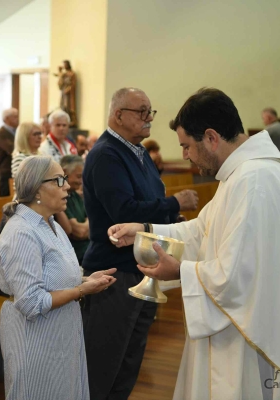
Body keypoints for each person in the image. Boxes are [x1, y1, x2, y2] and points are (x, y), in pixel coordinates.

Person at [109, 88, 280, 399]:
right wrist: (145, 231)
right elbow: (203, 231)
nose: (185, 155)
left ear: (211, 138)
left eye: (187, 146)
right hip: (245, 323)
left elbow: (237, 276)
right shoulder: (244, 175)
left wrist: (180, 271)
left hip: (248, 336)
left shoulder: (254, 181)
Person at [81, 87, 199, 400]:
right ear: (119, 115)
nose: (149, 118)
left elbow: (151, 199)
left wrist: (172, 220)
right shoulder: (106, 155)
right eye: (142, 111)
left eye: (150, 111)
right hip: (113, 273)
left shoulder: (138, 151)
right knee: (103, 365)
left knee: (129, 361)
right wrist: (175, 203)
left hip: (143, 268)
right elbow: (124, 212)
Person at [0, 155, 116, 400]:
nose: (68, 186)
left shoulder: (51, 224)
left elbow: (55, 277)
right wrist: (82, 290)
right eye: (59, 180)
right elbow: (31, 302)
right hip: (35, 340)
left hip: (60, 332)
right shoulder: (21, 232)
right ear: (38, 188)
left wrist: (86, 280)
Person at [60, 155, 89, 264]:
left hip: (88, 251)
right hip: (76, 257)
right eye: (78, 176)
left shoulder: (75, 196)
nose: (81, 181)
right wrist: (86, 227)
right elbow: (78, 232)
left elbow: (92, 224)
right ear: (64, 172)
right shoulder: (60, 199)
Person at [0, 108, 19, 197]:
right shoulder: (1, 133)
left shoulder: (17, 131)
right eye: (14, 117)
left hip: (15, 170)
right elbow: (11, 148)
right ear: (7, 119)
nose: (17, 119)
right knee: (6, 198)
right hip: (6, 171)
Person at [56, 60, 77, 127]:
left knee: (69, 107)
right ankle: (65, 120)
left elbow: (73, 84)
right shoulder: (63, 75)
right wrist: (60, 73)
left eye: (65, 65)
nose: (64, 66)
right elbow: (60, 84)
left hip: (69, 94)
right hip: (64, 94)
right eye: (63, 65)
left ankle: (71, 121)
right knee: (63, 107)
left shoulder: (72, 74)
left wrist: (68, 89)